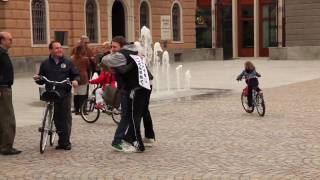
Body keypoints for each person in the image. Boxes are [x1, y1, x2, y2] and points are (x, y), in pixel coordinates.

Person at [103, 38, 153, 152]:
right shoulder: (133, 53)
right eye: (111, 47)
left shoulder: (122, 56)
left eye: (114, 47)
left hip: (130, 88)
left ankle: (123, 140)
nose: (112, 50)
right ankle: (137, 139)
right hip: (135, 87)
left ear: (122, 46)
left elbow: (107, 62)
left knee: (130, 115)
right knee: (135, 114)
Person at [34, 41, 80, 150]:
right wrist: (38, 78)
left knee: (65, 117)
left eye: (60, 48)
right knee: (56, 117)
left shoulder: (68, 62)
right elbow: (42, 79)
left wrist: (75, 80)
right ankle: (59, 136)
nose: (59, 50)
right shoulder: (45, 63)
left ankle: (65, 142)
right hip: (51, 92)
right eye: (56, 48)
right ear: (50, 50)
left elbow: (76, 74)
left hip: (64, 92)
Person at [0, 32, 22, 155]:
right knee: (8, 118)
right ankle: (7, 147)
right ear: (2, 40)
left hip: (4, 88)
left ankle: (3, 145)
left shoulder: (3, 53)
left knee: (2, 118)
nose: (11, 41)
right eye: (9, 39)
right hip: (3, 89)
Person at [71, 45, 92, 115]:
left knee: (76, 94)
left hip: (74, 78)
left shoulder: (72, 58)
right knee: (83, 95)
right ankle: (83, 110)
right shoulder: (85, 59)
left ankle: (76, 110)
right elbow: (88, 68)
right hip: (83, 77)